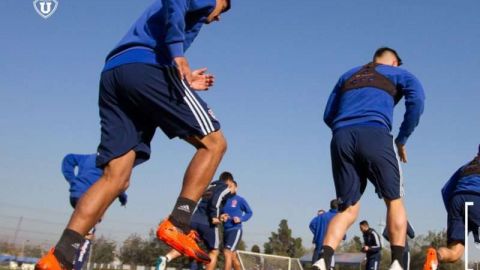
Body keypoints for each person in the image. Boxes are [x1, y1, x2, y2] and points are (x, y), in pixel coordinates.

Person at [36, 1, 232, 269]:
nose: (218, 17)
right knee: (214, 143)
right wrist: (177, 53)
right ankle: (178, 222)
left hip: (115, 72)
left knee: (115, 177)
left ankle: (59, 257)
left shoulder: (173, 23)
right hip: (147, 66)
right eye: (223, 9)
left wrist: (183, 80)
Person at [313, 47, 425, 270]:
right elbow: (418, 100)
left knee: (347, 209)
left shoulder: (348, 75)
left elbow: (328, 114)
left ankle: (323, 260)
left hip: (341, 137)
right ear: (394, 62)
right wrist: (402, 139)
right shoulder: (400, 74)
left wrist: (345, 129)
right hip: (375, 133)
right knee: (393, 200)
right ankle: (396, 263)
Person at [156, 172, 236, 270]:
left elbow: (206, 202)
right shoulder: (225, 187)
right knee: (214, 251)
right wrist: (215, 216)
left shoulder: (210, 186)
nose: (233, 190)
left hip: (194, 220)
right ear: (229, 181)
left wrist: (220, 215)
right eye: (234, 187)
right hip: (208, 223)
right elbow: (216, 199)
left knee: (187, 245)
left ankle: (166, 258)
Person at [61, 153, 127, 270]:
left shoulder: (87, 157)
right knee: (87, 235)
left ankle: (59, 257)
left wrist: (72, 179)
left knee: (78, 227)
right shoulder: (110, 161)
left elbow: (68, 159)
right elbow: (117, 182)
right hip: (92, 198)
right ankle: (76, 266)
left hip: (76, 194)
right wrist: (123, 197)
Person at [423, 145, 480, 270]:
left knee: (455, 253)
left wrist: (456, 216)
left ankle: (435, 257)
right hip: (477, 197)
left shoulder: (465, 168)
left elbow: (445, 190)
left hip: (456, 200)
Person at [221, 181, 253, 270]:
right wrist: (221, 217)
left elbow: (249, 212)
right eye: (227, 187)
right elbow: (219, 215)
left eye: (230, 186)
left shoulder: (239, 200)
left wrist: (241, 219)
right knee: (233, 257)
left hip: (235, 229)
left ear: (236, 187)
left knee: (227, 252)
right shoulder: (222, 201)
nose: (229, 189)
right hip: (225, 230)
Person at [309, 200, 339, 264]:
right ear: (338, 206)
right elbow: (341, 230)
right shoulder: (338, 217)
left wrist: (317, 233)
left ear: (330, 206)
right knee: (327, 264)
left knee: (315, 264)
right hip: (330, 244)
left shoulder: (322, 216)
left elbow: (311, 224)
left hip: (319, 242)